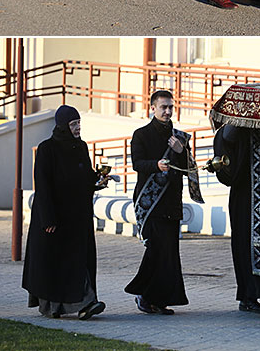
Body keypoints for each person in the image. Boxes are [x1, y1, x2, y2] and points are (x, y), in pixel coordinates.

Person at [22, 105, 107, 320]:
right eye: (73, 124)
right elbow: (43, 185)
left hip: (77, 219)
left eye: (79, 123)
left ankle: (87, 303)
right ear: (62, 126)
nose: (77, 128)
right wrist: (48, 218)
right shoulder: (47, 149)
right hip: (55, 219)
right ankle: (65, 306)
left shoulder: (80, 147)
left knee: (77, 262)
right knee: (57, 263)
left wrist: (97, 181)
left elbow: (84, 178)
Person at [125, 89, 203, 315]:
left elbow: (189, 168)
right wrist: (156, 165)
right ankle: (144, 295)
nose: (168, 111)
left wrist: (180, 151)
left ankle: (159, 300)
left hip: (171, 201)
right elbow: (137, 164)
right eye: (163, 107)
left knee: (169, 253)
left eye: (170, 107)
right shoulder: (141, 134)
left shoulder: (180, 137)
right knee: (155, 250)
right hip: (150, 202)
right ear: (152, 108)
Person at [212, 121, 260, 314]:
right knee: (245, 247)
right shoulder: (238, 127)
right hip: (245, 196)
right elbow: (226, 142)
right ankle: (248, 297)